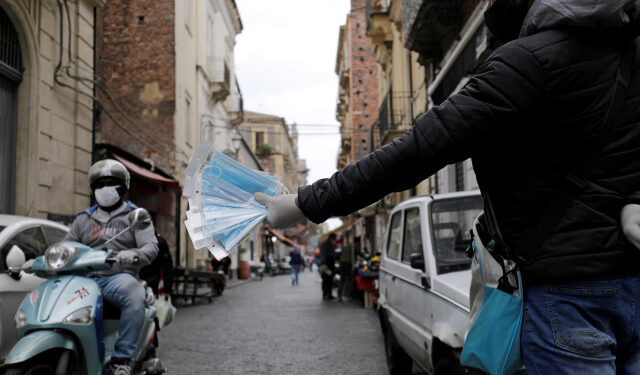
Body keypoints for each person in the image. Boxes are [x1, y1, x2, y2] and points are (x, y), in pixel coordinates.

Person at [255, 1, 640, 372]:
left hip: (566, 294)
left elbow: (416, 151)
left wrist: (308, 202)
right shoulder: (629, 50)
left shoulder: (528, 61)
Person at [65, 159, 158, 375]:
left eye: (111, 183)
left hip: (118, 277)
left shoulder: (136, 216)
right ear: (93, 188)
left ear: (123, 187)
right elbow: (67, 246)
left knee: (134, 296)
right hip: (85, 278)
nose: (105, 188)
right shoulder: (83, 219)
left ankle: (122, 359)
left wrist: (132, 255)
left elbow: (150, 247)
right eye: (100, 184)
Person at [318, 234, 337, 300]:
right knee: (326, 280)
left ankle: (329, 294)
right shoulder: (325, 245)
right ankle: (325, 295)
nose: (335, 239)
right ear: (331, 238)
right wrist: (325, 264)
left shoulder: (330, 245)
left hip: (330, 265)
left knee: (330, 280)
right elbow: (323, 255)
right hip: (325, 265)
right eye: (334, 238)